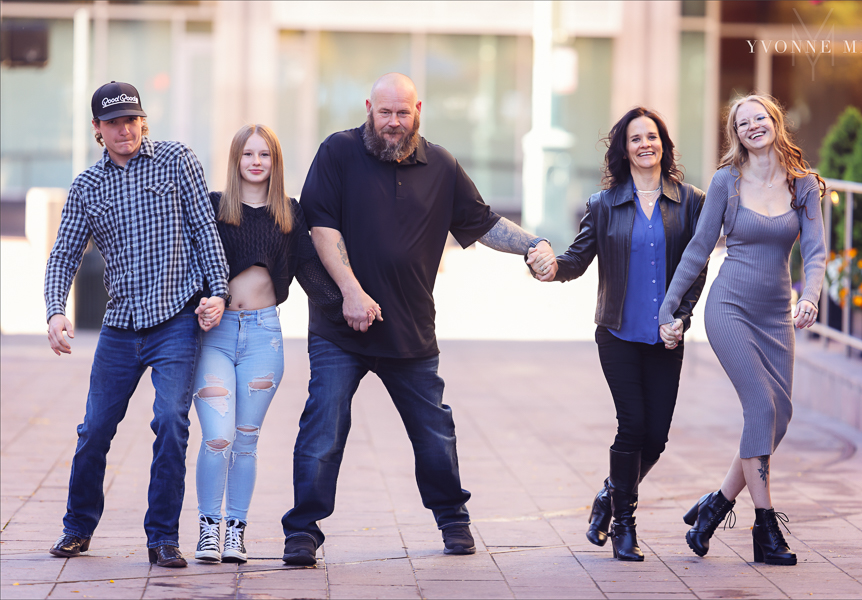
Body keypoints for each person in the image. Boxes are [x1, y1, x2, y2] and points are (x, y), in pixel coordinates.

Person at [280, 72, 557, 566]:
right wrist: (351, 293)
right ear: (369, 107)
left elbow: (484, 223)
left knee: (434, 432)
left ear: (418, 111)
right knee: (323, 425)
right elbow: (320, 228)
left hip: (410, 330)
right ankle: (302, 530)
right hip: (340, 327)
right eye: (384, 111)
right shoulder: (338, 153)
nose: (392, 122)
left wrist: (533, 244)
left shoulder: (442, 165)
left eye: (402, 112)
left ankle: (452, 518)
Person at [44, 81, 229, 567]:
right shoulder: (87, 187)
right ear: (97, 130)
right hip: (121, 327)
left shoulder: (177, 160)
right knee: (95, 430)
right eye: (113, 122)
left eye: (132, 120)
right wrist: (55, 310)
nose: (125, 129)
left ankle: (162, 537)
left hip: (176, 321)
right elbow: (63, 255)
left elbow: (204, 230)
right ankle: (77, 528)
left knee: (170, 422)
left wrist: (217, 292)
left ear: (143, 121)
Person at [658, 93, 826, 566]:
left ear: (775, 122)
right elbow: (697, 249)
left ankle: (716, 504)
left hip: (777, 312)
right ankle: (765, 526)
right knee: (760, 405)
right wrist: (668, 310)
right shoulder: (726, 182)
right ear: (736, 134)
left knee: (779, 417)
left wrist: (810, 295)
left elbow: (815, 253)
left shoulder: (804, 186)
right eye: (743, 122)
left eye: (760, 117)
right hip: (729, 308)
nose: (753, 126)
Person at [537, 107, 707, 561]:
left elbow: (697, 269)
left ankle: (607, 496)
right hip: (617, 333)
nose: (645, 144)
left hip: (666, 337)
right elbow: (576, 259)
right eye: (636, 138)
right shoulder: (603, 204)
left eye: (652, 136)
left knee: (656, 438)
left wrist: (682, 317)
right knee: (632, 427)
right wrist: (553, 268)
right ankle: (624, 526)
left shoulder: (691, 201)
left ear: (664, 145)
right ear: (624, 149)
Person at [191, 125, 344, 563]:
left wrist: (353, 301)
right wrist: (200, 303)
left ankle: (235, 531)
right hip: (216, 336)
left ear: (275, 163)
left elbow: (315, 276)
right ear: (236, 160)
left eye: (265, 155)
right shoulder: (213, 208)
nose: (256, 162)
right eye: (248, 154)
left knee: (245, 439)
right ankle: (207, 528)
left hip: (263, 338)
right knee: (217, 437)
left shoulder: (289, 214)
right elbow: (190, 267)